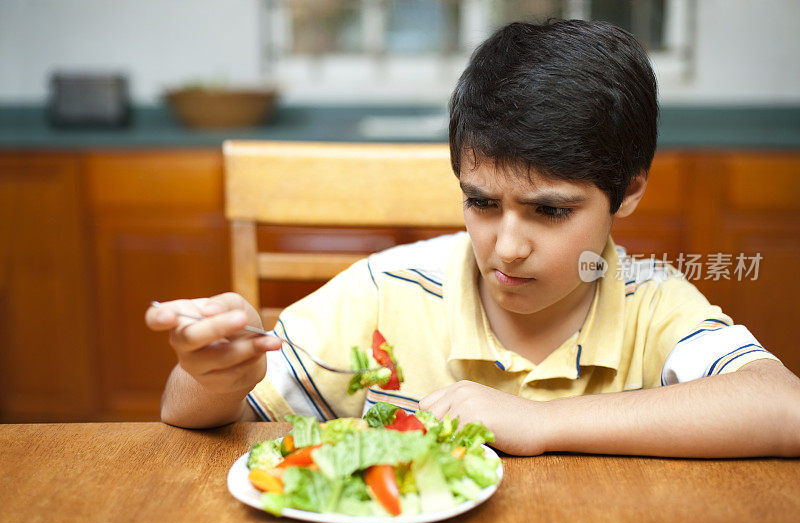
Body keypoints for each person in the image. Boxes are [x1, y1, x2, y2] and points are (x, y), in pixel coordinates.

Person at [145, 20, 800, 457]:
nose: (506, 246)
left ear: (628, 192)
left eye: (549, 212)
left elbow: (783, 407)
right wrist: (211, 377)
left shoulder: (651, 301)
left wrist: (542, 424)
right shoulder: (385, 291)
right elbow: (193, 416)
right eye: (482, 203)